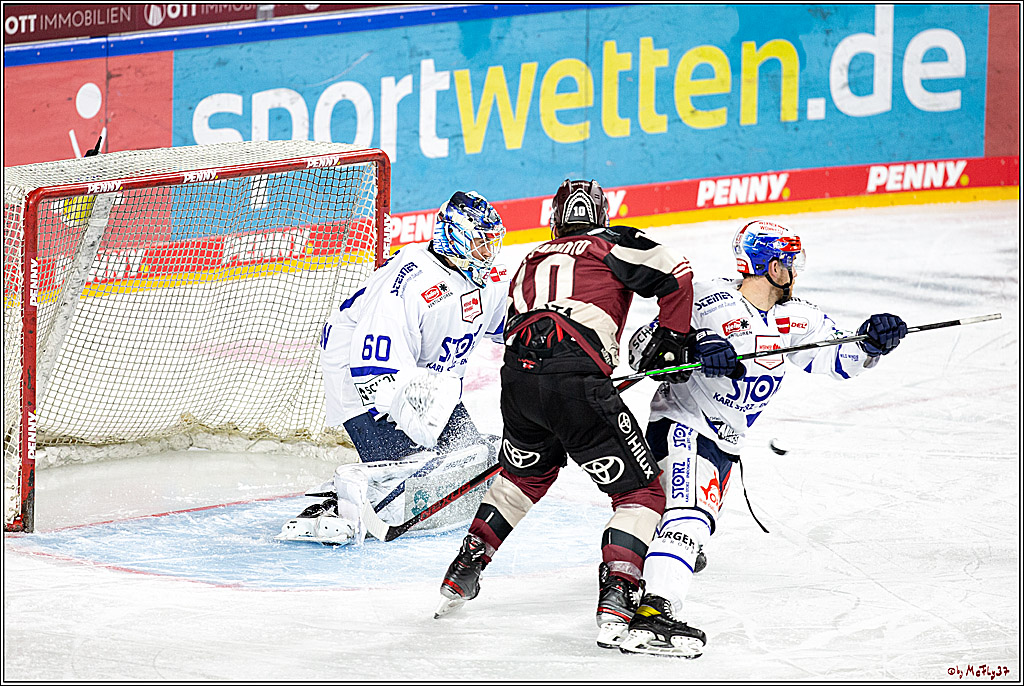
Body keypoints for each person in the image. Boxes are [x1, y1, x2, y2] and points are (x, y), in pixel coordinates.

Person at [432, 179, 744, 650]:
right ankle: (618, 598)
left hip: (518, 382)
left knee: (523, 480)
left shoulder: (530, 259)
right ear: (599, 213)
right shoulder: (611, 243)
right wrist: (674, 338)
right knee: (640, 493)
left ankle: (464, 568)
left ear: (555, 219)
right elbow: (677, 274)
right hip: (576, 382)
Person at [617, 219, 908, 657]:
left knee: (680, 524)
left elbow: (838, 358)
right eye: (791, 262)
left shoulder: (800, 316)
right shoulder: (706, 297)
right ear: (772, 266)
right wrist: (694, 350)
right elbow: (643, 347)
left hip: (725, 441)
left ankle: (652, 570)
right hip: (683, 425)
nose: (795, 271)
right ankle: (655, 614)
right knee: (689, 518)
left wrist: (872, 344)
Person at [277, 191, 509, 545]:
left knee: (465, 472)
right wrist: (405, 427)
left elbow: (509, 324)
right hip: (362, 374)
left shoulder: (481, 278)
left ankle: (388, 477)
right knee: (413, 485)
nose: (488, 254)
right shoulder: (410, 282)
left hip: (426, 383)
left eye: (491, 243)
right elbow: (371, 363)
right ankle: (332, 505)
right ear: (456, 238)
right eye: (480, 244)